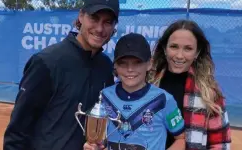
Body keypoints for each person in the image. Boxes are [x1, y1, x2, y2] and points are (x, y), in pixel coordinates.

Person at [3, 0, 120, 150]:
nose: (100, 29)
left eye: (108, 22)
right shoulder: (46, 62)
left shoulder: (106, 66)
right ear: (81, 16)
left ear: (114, 26)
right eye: (94, 18)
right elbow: (17, 133)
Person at [83, 33, 186, 150]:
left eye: (137, 62)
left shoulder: (164, 99)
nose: (130, 69)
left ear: (149, 64)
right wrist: (93, 146)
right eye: (123, 63)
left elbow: (181, 138)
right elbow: (99, 141)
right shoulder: (104, 96)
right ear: (115, 66)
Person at [148, 20, 231, 149]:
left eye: (188, 48)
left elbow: (220, 144)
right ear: (165, 48)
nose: (179, 55)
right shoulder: (147, 83)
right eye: (174, 47)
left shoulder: (209, 93)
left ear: (197, 53)